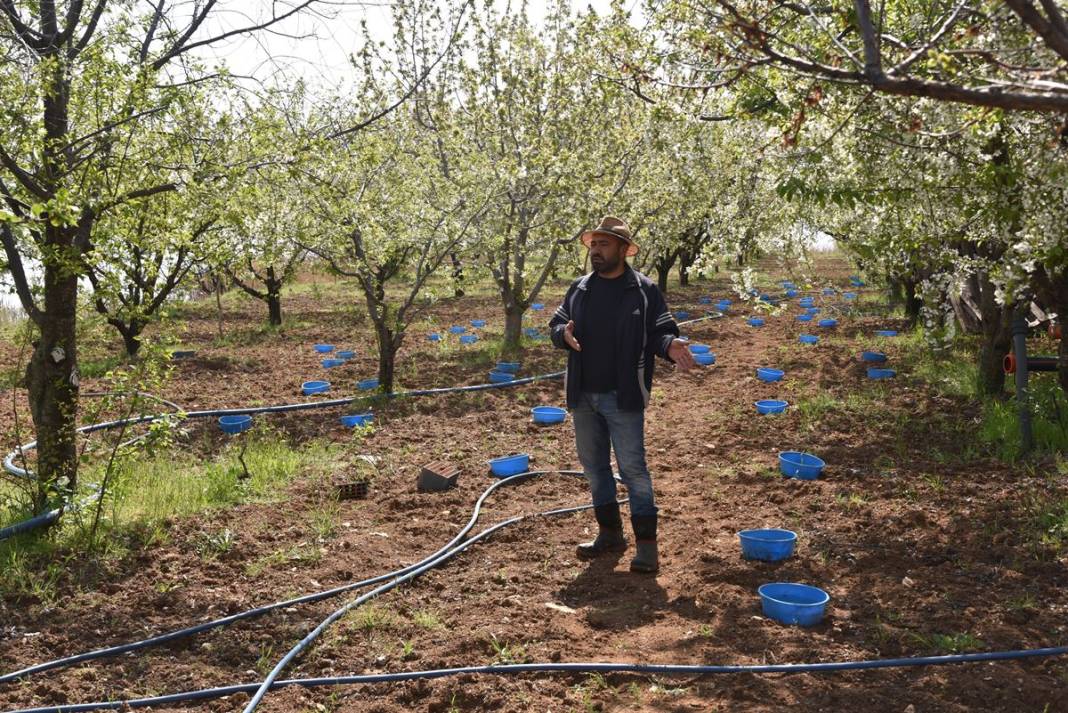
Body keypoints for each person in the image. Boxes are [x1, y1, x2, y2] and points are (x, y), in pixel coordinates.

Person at [549, 216, 695, 574]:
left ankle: (647, 548)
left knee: (632, 469)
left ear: (623, 250)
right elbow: (556, 323)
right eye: (593, 245)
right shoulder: (579, 289)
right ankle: (609, 534)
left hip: (623, 394)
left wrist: (670, 346)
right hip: (583, 394)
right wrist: (560, 335)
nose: (596, 251)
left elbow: (659, 332)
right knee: (594, 468)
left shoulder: (643, 291)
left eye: (604, 245)